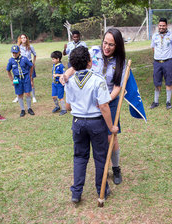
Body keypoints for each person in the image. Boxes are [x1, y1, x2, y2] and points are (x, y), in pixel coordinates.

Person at [62, 28, 127, 185]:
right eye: (105, 42)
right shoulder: (94, 51)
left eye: (111, 45)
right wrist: (66, 75)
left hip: (108, 102)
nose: (106, 47)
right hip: (90, 102)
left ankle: (116, 168)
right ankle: (101, 167)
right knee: (97, 137)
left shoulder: (121, 62)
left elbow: (118, 86)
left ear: (117, 45)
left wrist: (106, 100)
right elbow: (76, 66)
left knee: (111, 136)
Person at [65, 46, 118, 203]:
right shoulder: (97, 79)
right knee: (100, 157)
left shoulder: (70, 80)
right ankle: (101, 188)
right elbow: (103, 106)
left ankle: (76, 193)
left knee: (80, 157)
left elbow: (67, 107)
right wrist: (111, 127)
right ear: (89, 62)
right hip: (96, 123)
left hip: (78, 122)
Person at [150, 18, 172, 110]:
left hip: (168, 62)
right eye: (160, 25)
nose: (161, 27)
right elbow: (153, 48)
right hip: (157, 63)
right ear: (158, 26)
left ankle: (168, 102)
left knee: (169, 81)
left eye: (163, 25)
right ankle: (156, 101)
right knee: (157, 82)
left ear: (166, 26)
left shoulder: (171, 36)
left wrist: (167, 57)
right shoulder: (154, 36)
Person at [6, 45, 35, 117]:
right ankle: (22, 109)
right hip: (17, 79)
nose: (14, 54)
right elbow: (8, 70)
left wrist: (30, 75)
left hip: (25, 77)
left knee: (27, 93)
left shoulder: (24, 59)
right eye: (13, 53)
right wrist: (12, 80)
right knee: (19, 94)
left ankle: (29, 108)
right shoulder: (11, 60)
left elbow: (31, 66)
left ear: (19, 52)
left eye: (16, 53)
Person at [12, 34, 37, 103]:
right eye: (22, 38)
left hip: (29, 63)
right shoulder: (18, 47)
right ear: (19, 39)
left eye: (24, 38)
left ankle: (33, 96)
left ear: (26, 38)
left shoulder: (30, 47)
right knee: (18, 80)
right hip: (21, 64)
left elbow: (35, 55)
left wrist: (33, 63)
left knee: (31, 80)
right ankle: (18, 96)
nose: (23, 39)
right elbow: (13, 56)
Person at [51, 51, 67, 116]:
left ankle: (64, 109)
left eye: (53, 59)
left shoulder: (61, 66)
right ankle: (57, 106)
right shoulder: (54, 65)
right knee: (54, 96)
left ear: (58, 59)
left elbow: (64, 74)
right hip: (54, 83)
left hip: (59, 84)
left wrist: (57, 75)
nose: (52, 60)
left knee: (60, 97)